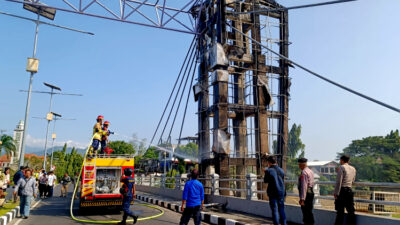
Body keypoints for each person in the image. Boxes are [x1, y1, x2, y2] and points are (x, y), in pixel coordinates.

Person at [264, 156, 287, 225]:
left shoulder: (269, 170)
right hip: (281, 192)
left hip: (273, 192)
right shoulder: (281, 170)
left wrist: (265, 172)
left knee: (275, 210)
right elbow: (282, 180)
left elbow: (265, 181)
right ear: (276, 162)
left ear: (269, 162)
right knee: (281, 209)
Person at [334, 155, 356, 225]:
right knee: (351, 210)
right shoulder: (353, 168)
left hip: (342, 191)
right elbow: (353, 181)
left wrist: (336, 193)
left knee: (340, 211)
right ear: (348, 161)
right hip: (349, 190)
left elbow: (339, 182)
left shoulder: (341, 167)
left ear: (342, 160)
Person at [297, 158, 315, 225]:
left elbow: (304, 186)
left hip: (306, 194)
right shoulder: (310, 171)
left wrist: (302, 199)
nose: (298, 166)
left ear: (302, 164)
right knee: (309, 211)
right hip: (311, 192)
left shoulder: (304, 173)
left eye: (299, 164)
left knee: (305, 212)